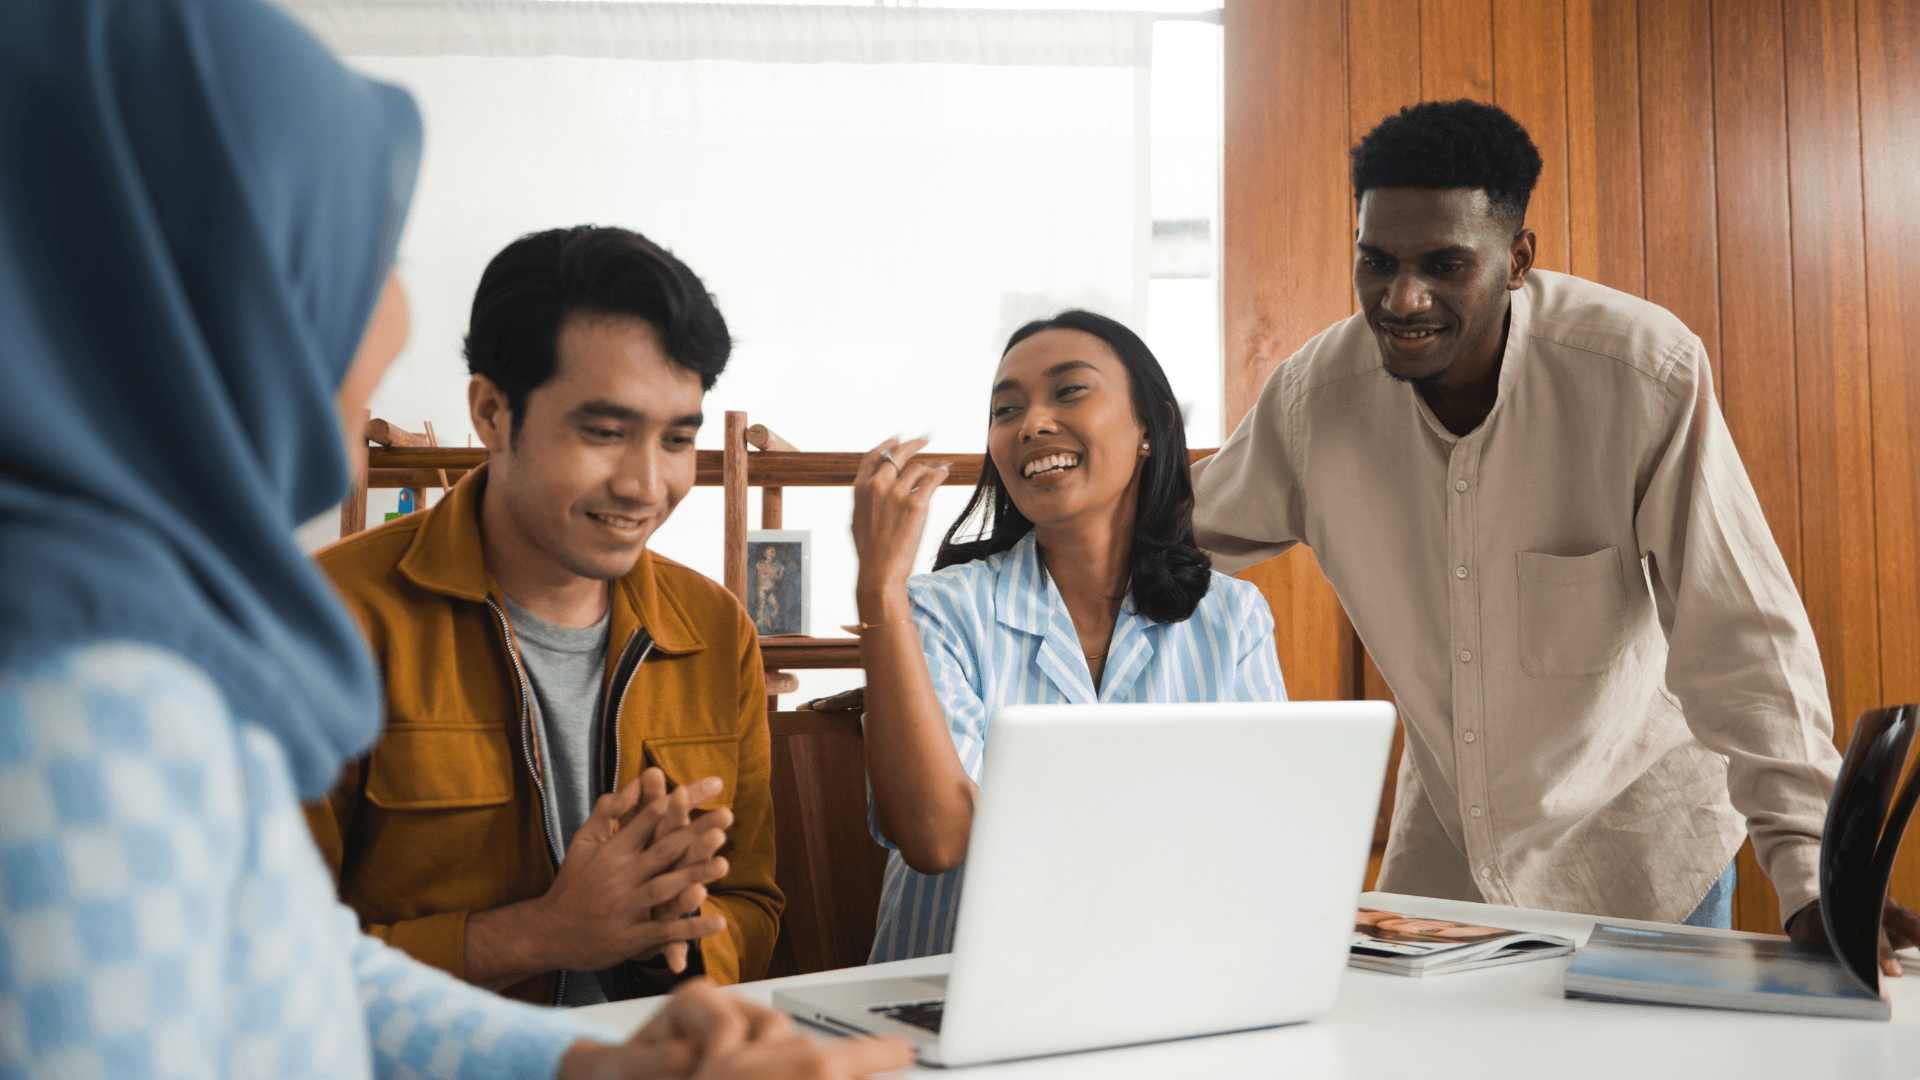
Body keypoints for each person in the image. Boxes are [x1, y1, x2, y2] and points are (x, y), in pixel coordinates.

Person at [0, 1, 911, 1077]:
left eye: (677, 437)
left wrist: (612, 1043)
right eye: (345, 255)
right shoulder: (87, 694)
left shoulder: (161, 629)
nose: (389, 321)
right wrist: (548, 934)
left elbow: (298, 965)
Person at [1190, 99, 1920, 965]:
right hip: (1448, 870)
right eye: (1376, 261)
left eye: (1445, 264)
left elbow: (1741, 638)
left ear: (1516, 261)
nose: (1402, 297)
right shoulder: (1316, 401)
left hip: (1642, 853)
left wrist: (1811, 878)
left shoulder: (1641, 372)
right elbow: (1172, 535)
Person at [308, 226, 783, 1007]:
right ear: (493, 412)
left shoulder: (715, 629)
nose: (645, 484)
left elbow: (757, 908)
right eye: (604, 432)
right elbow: (263, 959)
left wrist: (677, 934)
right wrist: (540, 934)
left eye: (676, 440)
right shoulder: (332, 617)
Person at [851, 310, 1289, 962]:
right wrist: (879, 589)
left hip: (1165, 988)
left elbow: (1263, 839)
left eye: (1069, 391)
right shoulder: (937, 610)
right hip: (950, 1003)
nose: (1031, 423)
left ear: (1152, 424)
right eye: (1005, 409)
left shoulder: (1232, 618)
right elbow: (936, 840)